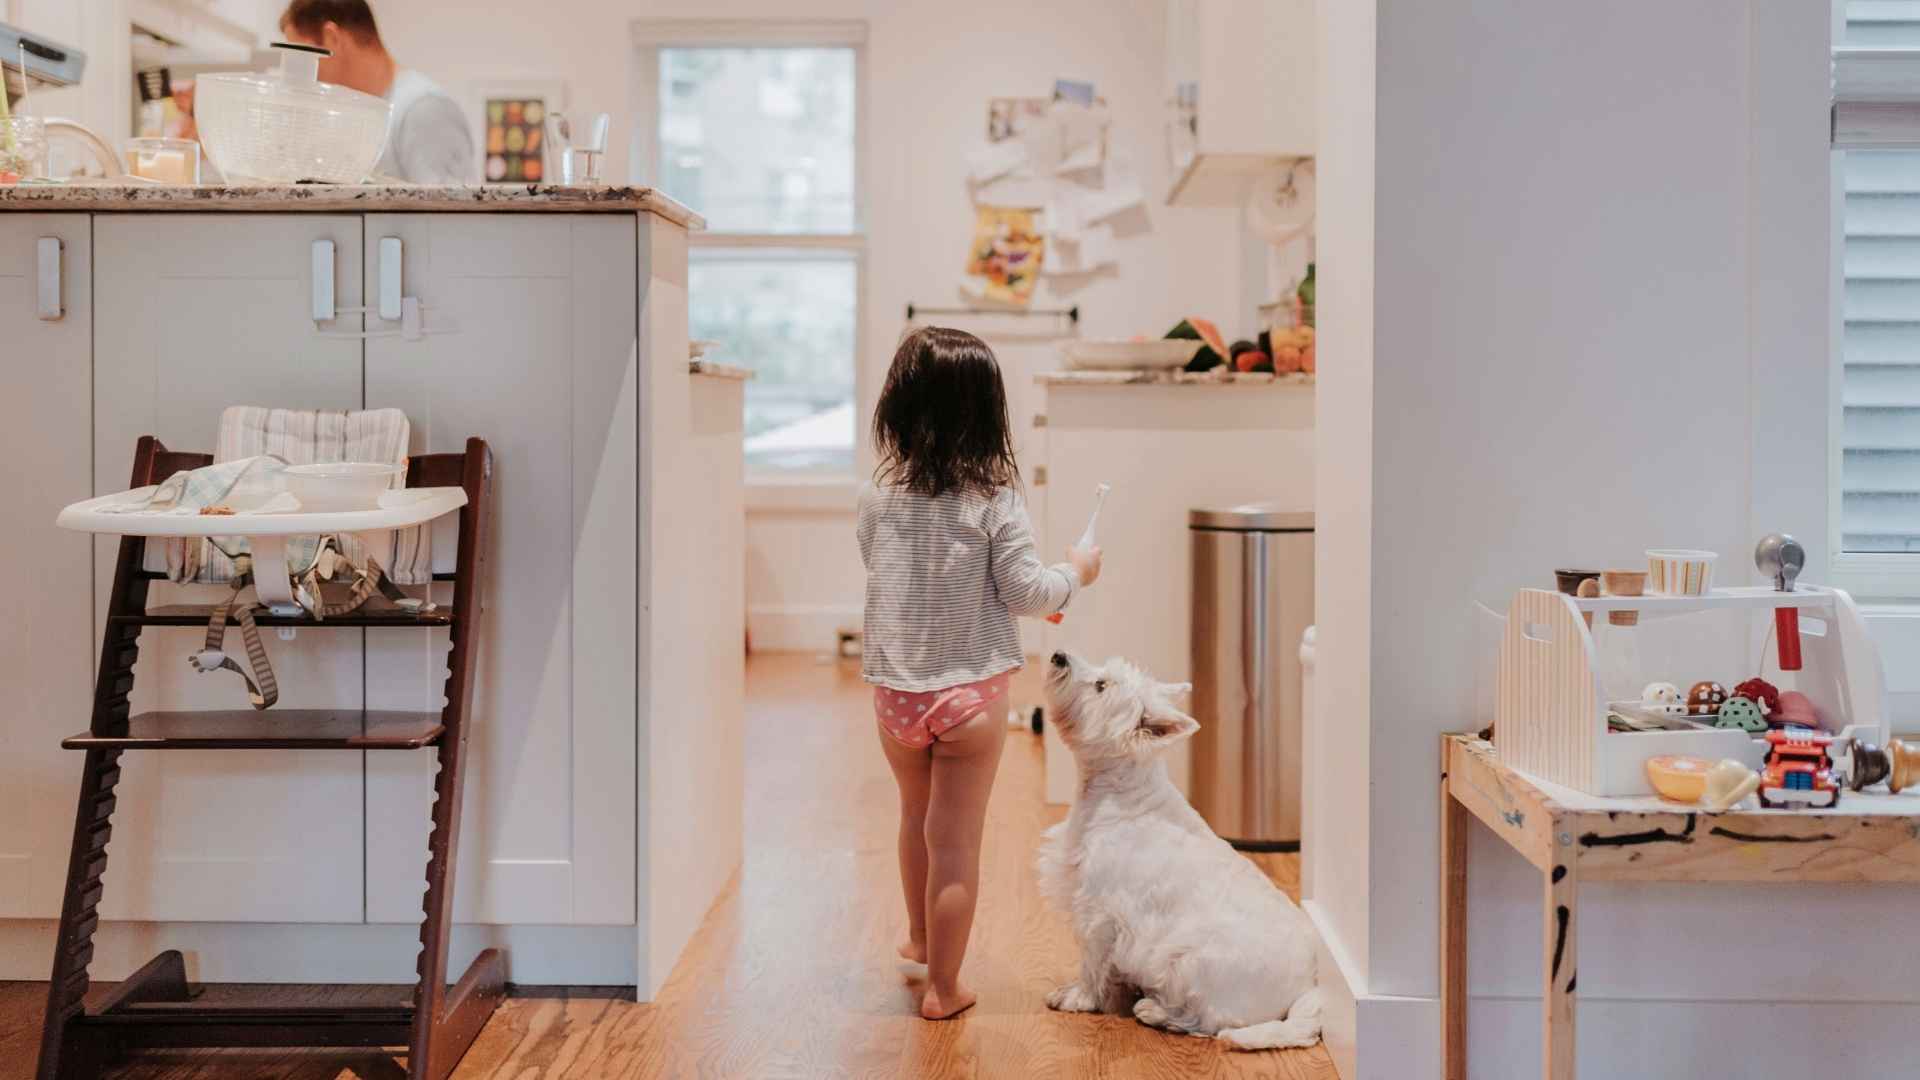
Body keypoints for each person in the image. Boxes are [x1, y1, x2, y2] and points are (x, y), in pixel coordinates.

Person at [857, 327, 1103, 1020]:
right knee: (956, 842)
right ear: (986, 414)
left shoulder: (877, 501)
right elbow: (1029, 593)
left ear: (897, 408)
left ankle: (916, 936)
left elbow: (896, 574)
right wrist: (1075, 574)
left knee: (915, 819)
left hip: (897, 697)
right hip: (968, 699)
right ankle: (944, 988)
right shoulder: (995, 501)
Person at [279, 0, 475, 184]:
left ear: (332, 39)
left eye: (303, 56)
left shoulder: (424, 110)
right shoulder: (363, 112)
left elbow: (454, 216)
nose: (303, 73)